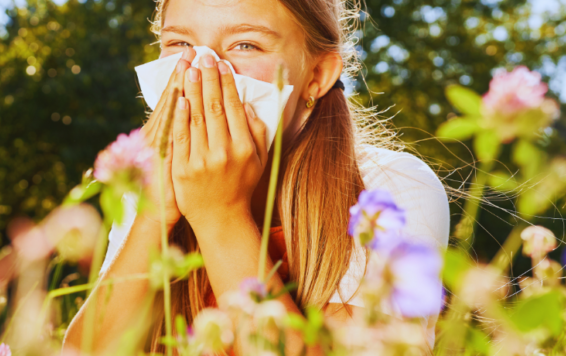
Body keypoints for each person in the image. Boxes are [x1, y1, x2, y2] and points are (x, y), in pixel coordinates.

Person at [64, 0, 449, 353]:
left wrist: (220, 214)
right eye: (180, 43)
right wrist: (153, 215)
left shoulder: (391, 189)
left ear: (316, 75)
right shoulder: (156, 179)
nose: (201, 67)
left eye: (245, 45)